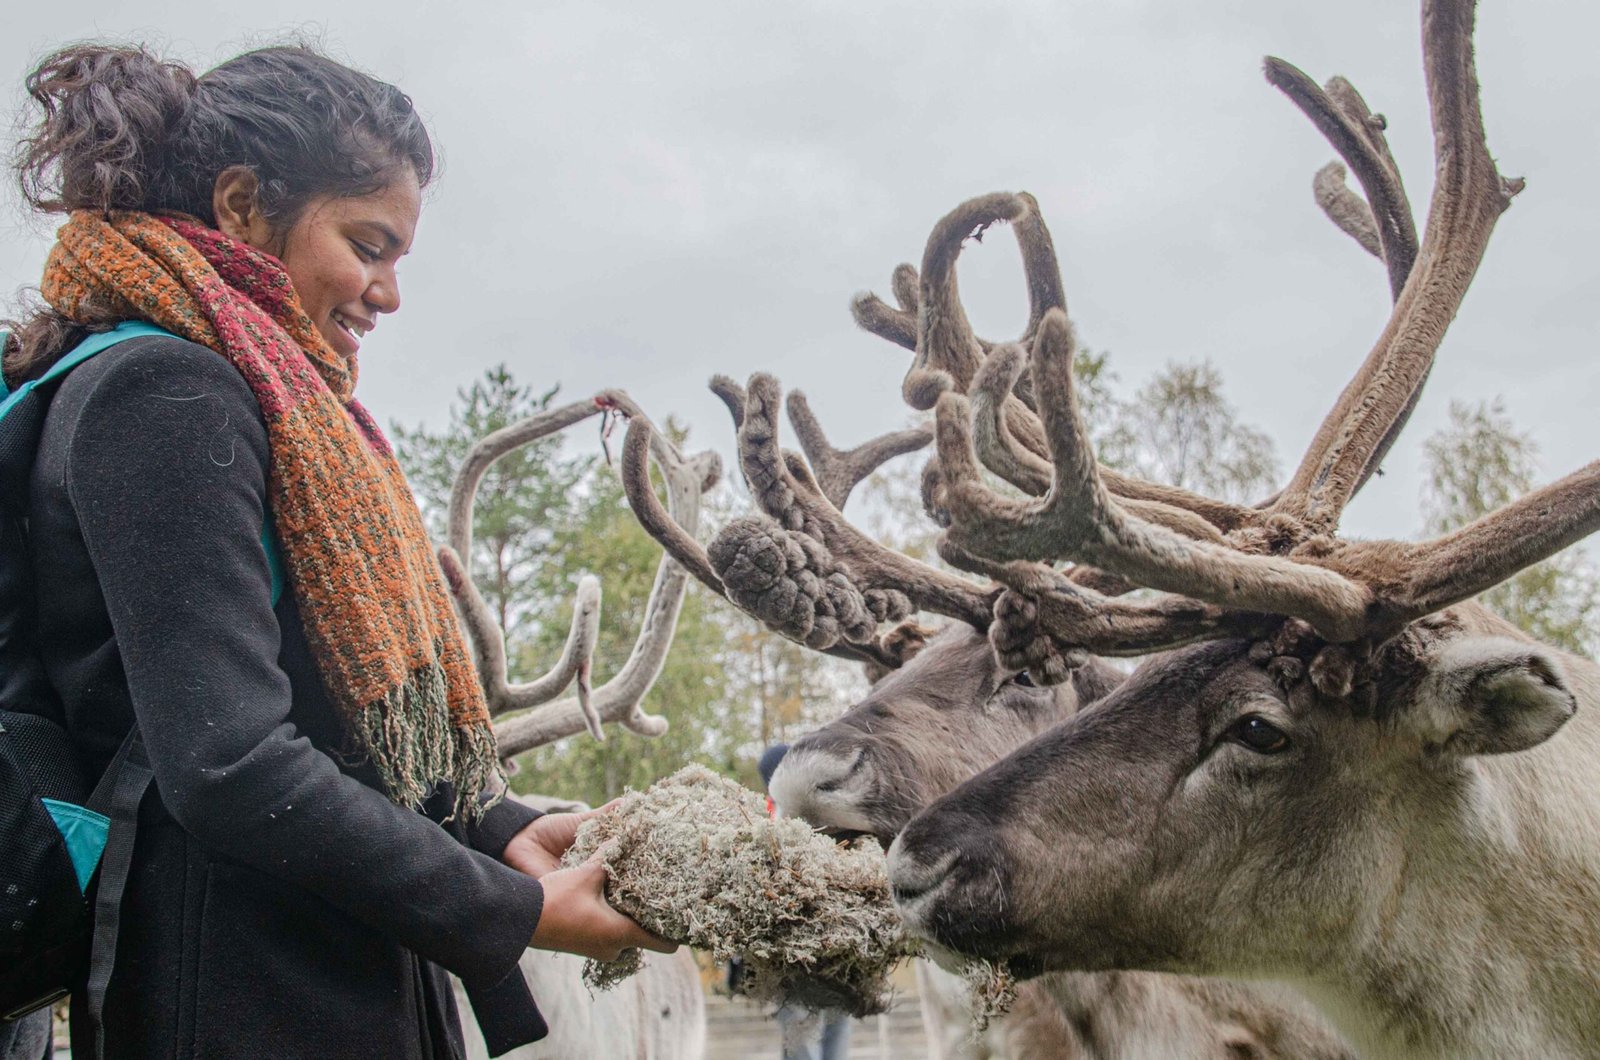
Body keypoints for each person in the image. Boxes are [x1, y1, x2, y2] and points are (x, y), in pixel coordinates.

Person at [3, 43, 671, 1058]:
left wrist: (498, 829)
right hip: (235, 992)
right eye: (368, 244)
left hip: (319, 963)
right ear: (239, 204)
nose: (387, 292)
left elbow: (326, 714)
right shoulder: (162, 394)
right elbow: (228, 760)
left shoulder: (258, 397)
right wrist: (511, 909)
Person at [755, 744, 852, 1060]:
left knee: (816, 1030)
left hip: (817, 951)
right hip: (809, 953)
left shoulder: (784, 817)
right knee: (813, 1032)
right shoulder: (773, 820)